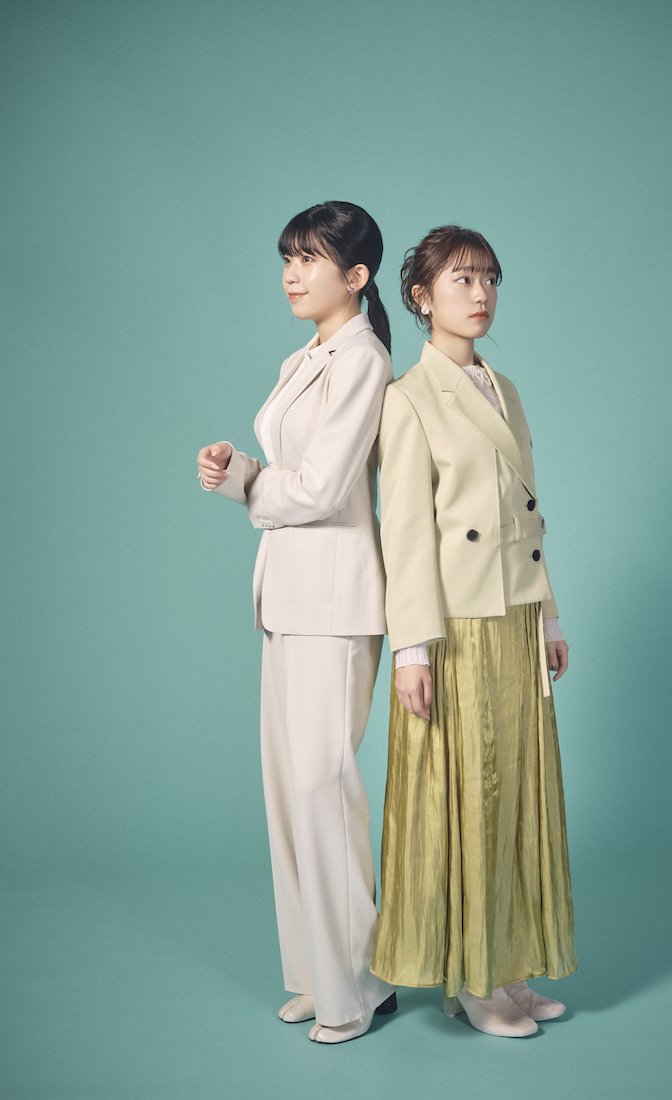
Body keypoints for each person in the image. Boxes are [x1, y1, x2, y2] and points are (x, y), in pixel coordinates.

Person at [196, 201, 396, 1044]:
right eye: (288, 257)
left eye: (309, 258)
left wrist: (252, 485)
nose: (291, 273)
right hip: (286, 596)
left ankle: (360, 985)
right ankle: (322, 975)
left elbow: (320, 488)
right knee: (289, 792)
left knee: (322, 789)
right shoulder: (303, 356)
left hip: (336, 601)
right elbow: (294, 472)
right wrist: (237, 466)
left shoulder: (364, 358)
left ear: (355, 276)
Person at [371, 225, 577, 1038]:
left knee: (516, 793)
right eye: (460, 279)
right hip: (456, 623)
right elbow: (404, 533)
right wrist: (410, 649)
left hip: (515, 614)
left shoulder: (504, 388)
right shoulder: (407, 397)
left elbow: (529, 514)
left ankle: (509, 967)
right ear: (420, 298)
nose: (480, 292)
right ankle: (475, 980)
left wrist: (548, 612)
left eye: (488, 277)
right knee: (474, 796)